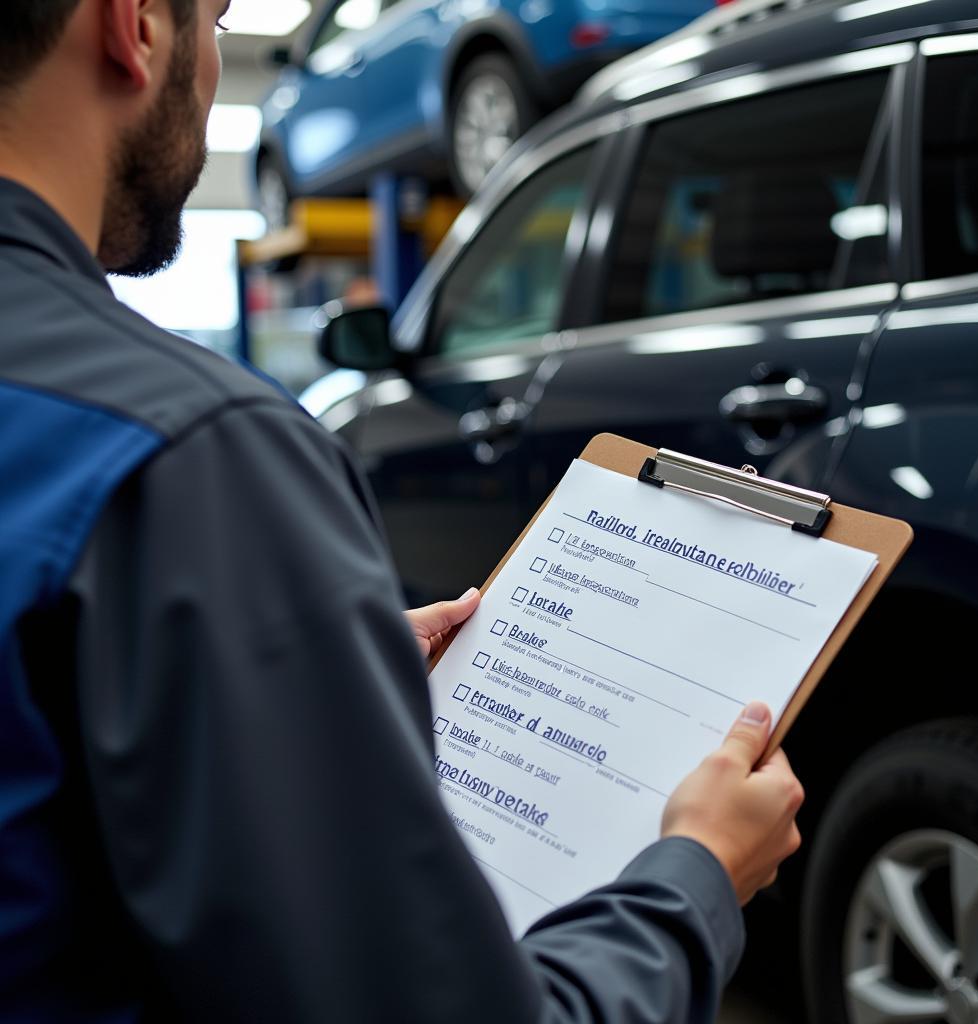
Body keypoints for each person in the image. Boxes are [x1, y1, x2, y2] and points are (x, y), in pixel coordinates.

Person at [0, 1, 804, 1020]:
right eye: (215, 18)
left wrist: (305, 691)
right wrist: (694, 876)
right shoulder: (193, 452)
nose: (209, 63)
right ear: (133, 26)